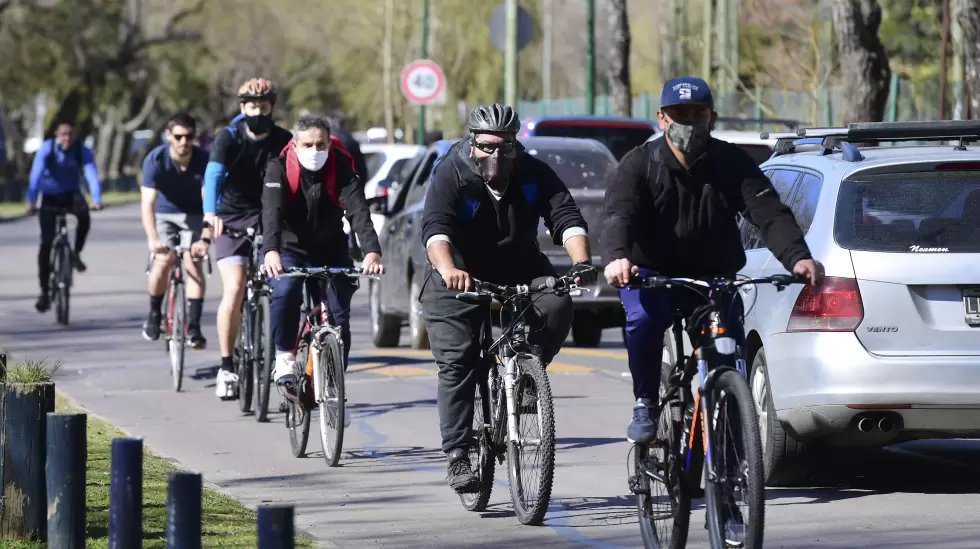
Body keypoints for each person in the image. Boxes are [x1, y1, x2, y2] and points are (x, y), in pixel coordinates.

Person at [600, 76, 826, 445]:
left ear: (712, 118)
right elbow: (618, 216)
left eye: (697, 113)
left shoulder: (731, 163)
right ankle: (645, 401)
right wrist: (618, 258)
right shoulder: (639, 163)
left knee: (726, 348)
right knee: (644, 318)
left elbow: (769, 213)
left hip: (713, 278)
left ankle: (726, 430)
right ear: (662, 119)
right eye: (679, 114)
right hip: (651, 276)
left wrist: (798, 259)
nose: (688, 123)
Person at [419, 103, 598, 493]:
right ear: (472, 144)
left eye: (506, 146)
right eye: (487, 146)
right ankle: (458, 455)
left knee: (557, 303)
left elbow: (565, 216)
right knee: (459, 362)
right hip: (458, 276)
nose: (496, 154)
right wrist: (449, 269)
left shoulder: (534, 172)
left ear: (516, 145)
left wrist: (581, 261)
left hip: (518, 266)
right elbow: (436, 229)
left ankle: (528, 376)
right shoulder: (451, 172)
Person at [261, 114, 383, 385]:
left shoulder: (341, 165)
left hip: (331, 249)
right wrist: (271, 251)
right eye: (308, 145)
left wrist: (371, 251)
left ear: (329, 143)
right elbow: (271, 212)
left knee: (339, 316)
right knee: (286, 290)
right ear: (295, 145)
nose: (315, 151)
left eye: (320, 145)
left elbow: (358, 210)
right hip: (289, 249)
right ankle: (285, 356)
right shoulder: (278, 167)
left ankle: (332, 386)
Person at [203, 78, 293, 399]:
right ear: (243, 108)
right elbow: (213, 175)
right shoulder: (228, 137)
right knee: (236, 286)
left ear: (272, 107)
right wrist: (210, 213)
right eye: (252, 106)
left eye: (264, 106)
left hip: (269, 216)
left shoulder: (284, 139)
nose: (258, 111)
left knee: (282, 284)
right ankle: (227, 367)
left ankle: (283, 359)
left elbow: (295, 178)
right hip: (231, 217)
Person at [139, 112, 211, 348]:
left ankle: (194, 327)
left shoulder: (204, 159)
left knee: (193, 262)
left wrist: (205, 238)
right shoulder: (155, 160)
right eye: (178, 136)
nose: (183, 142)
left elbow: (209, 198)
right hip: (164, 214)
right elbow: (147, 203)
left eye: (188, 136)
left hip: (194, 214)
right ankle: (154, 313)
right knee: (163, 260)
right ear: (169, 136)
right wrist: (154, 239)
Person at [26, 119, 102, 313]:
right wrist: (31, 201)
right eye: (63, 135)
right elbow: (35, 175)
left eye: (70, 134)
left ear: (75, 135)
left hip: (71, 194)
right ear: (57, 136)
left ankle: (75, 253)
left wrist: (96, 199)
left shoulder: (81, 150)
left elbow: (91, 173)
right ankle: (44, 292)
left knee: (84, 217)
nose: (67, 138)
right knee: (46, 243)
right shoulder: (47, 149)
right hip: (50, 196)